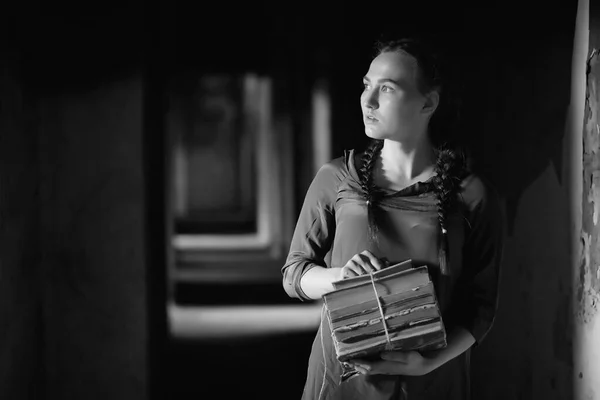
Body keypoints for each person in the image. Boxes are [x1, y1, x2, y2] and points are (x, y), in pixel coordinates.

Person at [281, 36, 505, 400]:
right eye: (367, 86)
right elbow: (294, 275)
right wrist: (341, 277)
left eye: (386, 89)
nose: (367, 101)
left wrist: (428, 363)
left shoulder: (472, 195)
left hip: (432, 382)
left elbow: (481, 308)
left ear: (428, 102)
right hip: (341, 383)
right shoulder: (338, 178)